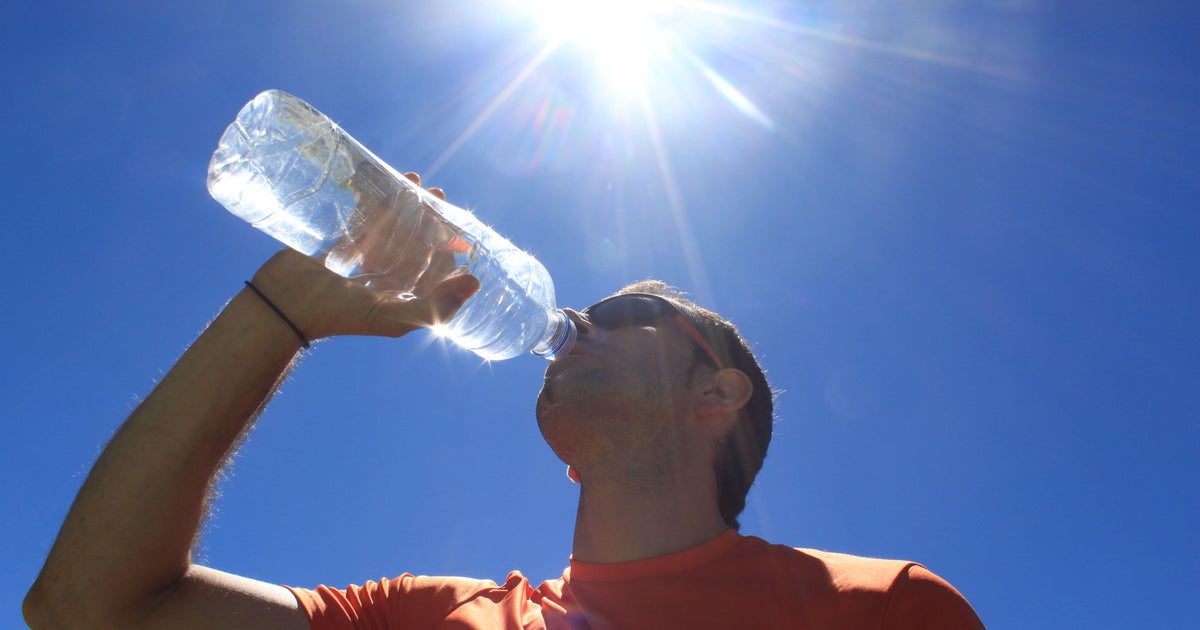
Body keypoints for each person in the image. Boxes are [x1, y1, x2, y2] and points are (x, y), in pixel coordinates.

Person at [24, 176, 984, 629]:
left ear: (716, 393)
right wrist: (281, 314)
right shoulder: (434, 614)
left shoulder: (877, 607)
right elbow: (86, 610)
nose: (578, 318)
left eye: (626, 315)